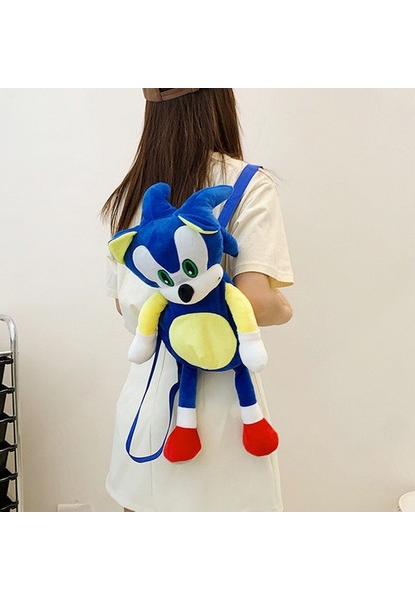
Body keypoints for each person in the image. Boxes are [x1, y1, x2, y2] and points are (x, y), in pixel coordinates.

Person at [101, 88, 294, 511]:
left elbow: (124, 305)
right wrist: (284, 309)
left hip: (143, 406)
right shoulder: (246, 184)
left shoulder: (130, 194)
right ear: (219, 102)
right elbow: (256, 301)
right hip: (220, 414)